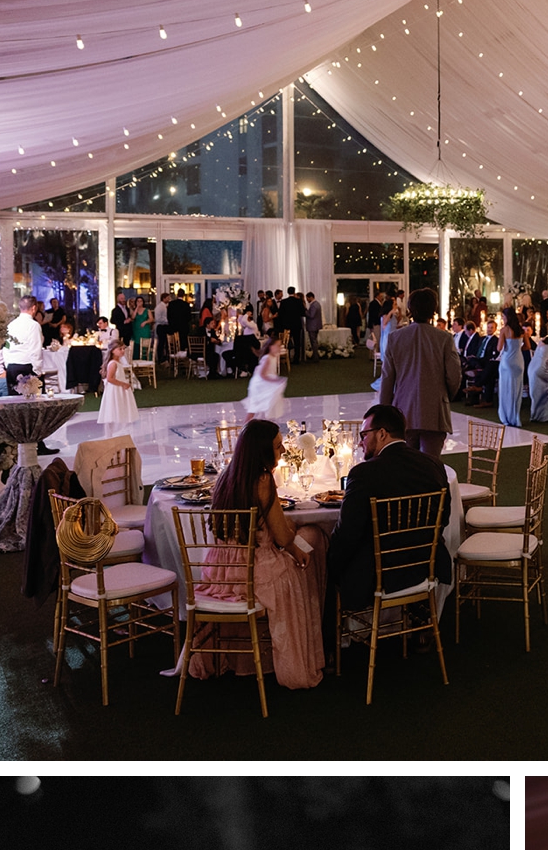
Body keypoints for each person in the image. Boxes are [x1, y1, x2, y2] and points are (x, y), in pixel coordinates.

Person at [190, 418, 329, 689]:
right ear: (263, 450)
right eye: (278, 447)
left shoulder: (225, 478)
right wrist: (296, 547)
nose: (282, 452)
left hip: (222, 573)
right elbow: (282, 537)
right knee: (310, 548)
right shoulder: (263, 480)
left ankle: (248, 659)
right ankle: (311, 650)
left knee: (305, 541)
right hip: (255, 573)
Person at [326, 401, 451, 618]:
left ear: (382, 433)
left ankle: (329, 643)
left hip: (379, 574)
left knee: (329, 564)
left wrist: (328, 564)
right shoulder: (434, 465)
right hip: (425, 567)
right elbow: (444, 517)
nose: (360, 442)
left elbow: (348, 533)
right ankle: (418, 617)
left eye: (364, 435)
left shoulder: (364, 474)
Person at [378, 287, 462, 459]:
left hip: (403, 410)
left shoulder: (395, 338)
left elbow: (387, 379)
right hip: (435, 410)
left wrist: (385, 411)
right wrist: (446, 394)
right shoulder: (444, 338)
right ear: (433, 310)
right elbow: (454, 376)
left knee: (405, 465)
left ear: (410, 310)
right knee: (429, 466)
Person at [243, 331, 289, 421]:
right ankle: (245, 427)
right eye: (278, 346)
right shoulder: (267, 358)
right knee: (254, 408)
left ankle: (264, 423)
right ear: (271, 347)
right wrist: (275, 381)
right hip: (260, 385)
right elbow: (262, 374)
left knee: (267, 404)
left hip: (266, 383)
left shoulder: (273, 357)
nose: (280, 348)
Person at [96, 336, 139, 430]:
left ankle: (121, 428)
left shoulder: (117, 362)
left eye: (123, 349)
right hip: (115, 388)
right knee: (116, 407)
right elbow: (110, 378)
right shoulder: (113, 364)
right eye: (120, 349)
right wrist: (124, 384)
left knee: (120, 406)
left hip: (118, 387)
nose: (123, 351)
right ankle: (116, 429)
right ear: (113, 351)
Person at [4, 296, 44, 391]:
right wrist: (37, 370)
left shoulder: (11, 324)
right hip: (26, 367)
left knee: (14, 402)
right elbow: (35, 349)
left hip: (11, 367)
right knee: (31, 401)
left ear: (19, 307)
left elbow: (6, 347)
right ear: (34, 308)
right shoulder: (33, 325)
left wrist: (8, 365)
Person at [497, 306, 526, 428]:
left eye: (503, 317)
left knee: (506, 389)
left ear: (507, 317)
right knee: (517, 390)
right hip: (519, 361)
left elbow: (499, 348)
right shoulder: (521, 330)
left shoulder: (504, 330)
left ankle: (506, 416)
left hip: (507, 361)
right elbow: (528, 347)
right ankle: (516, 416)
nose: (503, 319)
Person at [527, 327, 548, 424]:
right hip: (540, 368)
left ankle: (535, 415)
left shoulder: (544, 340)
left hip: (531, 367)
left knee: (536, 392)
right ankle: (546, 415)